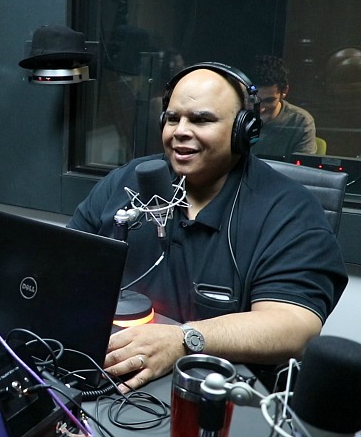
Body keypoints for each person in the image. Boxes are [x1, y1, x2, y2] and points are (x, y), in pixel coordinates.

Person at [68, 62, 347, 393]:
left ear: (244, 130)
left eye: (201, 120)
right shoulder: (127, 181)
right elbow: (64, 260)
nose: (180, 130)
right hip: (112, 373)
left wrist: (184, 339)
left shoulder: (290, 210)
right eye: (172, 118)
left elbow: (295, 326)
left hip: (221, 390)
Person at [249, 55, 317, 159]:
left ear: (284, 91)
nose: (260, 109)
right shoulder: (235, 113)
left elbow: (303, 171)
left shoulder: (300, 121)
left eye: (269, 101)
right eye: (253, 100)